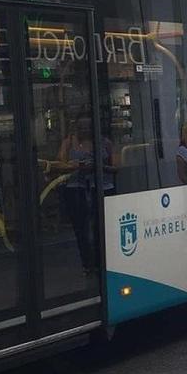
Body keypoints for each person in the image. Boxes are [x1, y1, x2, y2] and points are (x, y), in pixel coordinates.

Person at [58, 117, 116, 273]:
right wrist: (75, 166)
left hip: (102, 185)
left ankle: (102, 259)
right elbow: (60, 165)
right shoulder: (69, 142)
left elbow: (116, 166)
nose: (85, 130)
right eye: (81, 127)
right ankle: (88, 262)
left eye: (88, 127)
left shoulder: (105, 142)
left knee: (101, 224)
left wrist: (99, 167)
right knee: (81, 227)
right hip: (76, 187)